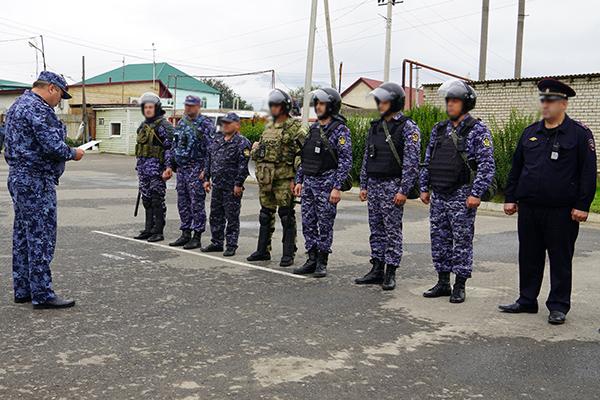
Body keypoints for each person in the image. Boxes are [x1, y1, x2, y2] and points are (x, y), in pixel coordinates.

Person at [499, 79, 597, 325]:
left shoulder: (579, 134)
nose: (545, 105)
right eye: (543, 100)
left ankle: (558, 305)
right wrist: (511, 197)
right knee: (529, 255)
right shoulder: (531, 132)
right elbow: (517, 168)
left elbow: (587, 172)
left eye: (550, 100)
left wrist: (583, 205)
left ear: (563, 104)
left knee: (560, 258)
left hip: (562, 211)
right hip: (530, 207)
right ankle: (527, 300)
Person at [4, 71, 85, 309]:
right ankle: (42, 293)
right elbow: (53, 146)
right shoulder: (38, 108)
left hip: (19, 177)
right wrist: (74, 153)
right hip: (35, 180)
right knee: (40, 236)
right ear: (51, 88)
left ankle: (23, 289)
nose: (60, 100)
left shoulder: (18, 104)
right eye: (60, 94)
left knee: (23, 235)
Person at [419, 80, 495, 303]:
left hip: (462, 194)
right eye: (448, 101)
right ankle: (443, 282)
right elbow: (428, 160)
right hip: (440, 194)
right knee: (439, 239)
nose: (450, 105)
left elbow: (486, 165)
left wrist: (476, 193)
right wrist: (424, 187)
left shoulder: (478, 130)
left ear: (466, 103)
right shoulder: (439, 129)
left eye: (455, 101)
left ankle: (459, 285)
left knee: (461, 241)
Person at [354, 82, 421, 291]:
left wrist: (403, 190)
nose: (380, 104)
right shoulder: (375, 126)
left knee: (392, 231)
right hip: (374, 185)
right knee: (376, 229)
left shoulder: (408, 127)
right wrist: (363, 184)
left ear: (394, 102)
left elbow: (412, 163)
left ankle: (390, 271)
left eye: (384, 101)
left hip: (393, 186)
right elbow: (368, 156)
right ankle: (376, 268)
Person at [292, 88, 352, 278]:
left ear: (332, 106)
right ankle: (311, 258)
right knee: (308, 222)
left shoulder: (340, 130)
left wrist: (337, 187)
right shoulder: (314, 128)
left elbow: (345, 160)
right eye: (316, 103)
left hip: (327, 183)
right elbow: (306, 156)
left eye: (322, 103)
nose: (318, 107)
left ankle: (322, 261)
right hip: (309, 182)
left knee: (324, 224)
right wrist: (299, 180)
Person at [247, 89, 307, 266]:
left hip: (284, 179)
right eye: (271, 104)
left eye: (276, 105)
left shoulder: (295, 127)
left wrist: (297, 179)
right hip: (266, 178)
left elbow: (302, 154)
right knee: (265, 215)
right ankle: (262, 251)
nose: (273, 108)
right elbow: (259, 151)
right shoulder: (268, 127)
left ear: (285, 106)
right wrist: (255, 150)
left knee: (286, 215)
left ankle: (288, 253)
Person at [164, 95, 215, 249]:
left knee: (196, 203)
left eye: (191, 106)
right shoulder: (181, 123)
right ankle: (185, 232)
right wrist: (169, 166)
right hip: (182, 169)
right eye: (186, 105)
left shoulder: (206, 124)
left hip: (196, 168)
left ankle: (197, 235)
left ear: (198, 106)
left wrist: (206, 171)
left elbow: (211, 151)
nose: (188, 108)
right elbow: (174, 146)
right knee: (183, 202)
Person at [201, 113, 251, 256]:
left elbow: (244, 165)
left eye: (229, 123)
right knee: (216, 215)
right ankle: (217, 242)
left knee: (232, 216)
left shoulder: (242, 142)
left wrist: (238, 184)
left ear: (237, 125)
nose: (225, 125)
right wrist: (206, 178)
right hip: (217, 185)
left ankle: (231, 244)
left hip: (231, 187)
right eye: (224, 123)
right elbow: (209, 159)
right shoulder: (216, 140)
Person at [133, 92, 173, 242]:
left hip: (157, 170)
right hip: (143, 170)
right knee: (147, 200)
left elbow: (170, 148)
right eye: (146, 107)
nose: (148, 110)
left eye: (151, 107)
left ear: (156, 108)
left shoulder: (164, 125)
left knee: (157, 199)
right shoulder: (143, 126)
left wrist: (168, 167)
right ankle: (148, 228)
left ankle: (158, 231)